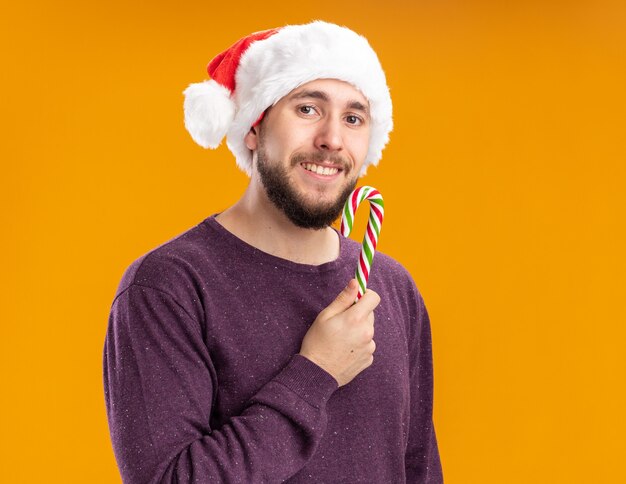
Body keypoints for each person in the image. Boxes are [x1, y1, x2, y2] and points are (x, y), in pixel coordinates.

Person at [103, 20, 443, 483]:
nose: (332, 139)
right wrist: (315, 372)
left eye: (353, 117)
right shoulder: (169, 287)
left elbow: (419, 469)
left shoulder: (392, 287)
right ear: (253, 128)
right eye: (307, 108)